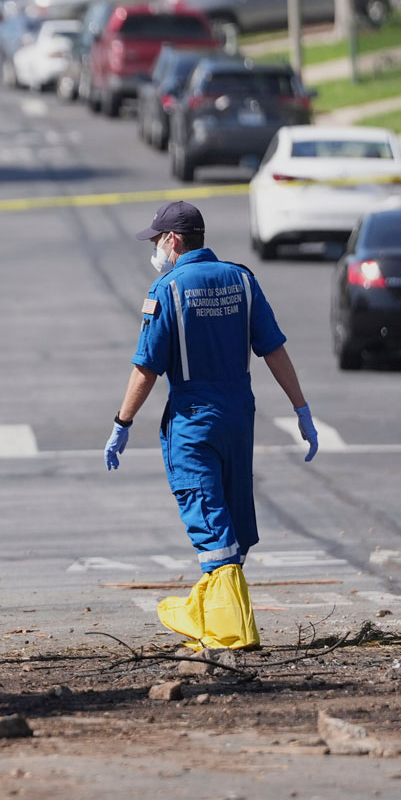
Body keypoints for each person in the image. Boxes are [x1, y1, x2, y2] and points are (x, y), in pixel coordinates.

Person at [103, 201, 319, 652]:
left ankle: (230, 631)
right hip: (239, 418)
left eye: (157, 240)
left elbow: (147, 367)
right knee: (233, 521)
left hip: (194, 420)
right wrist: (300, 407)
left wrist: (122, 422)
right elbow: (273, 349)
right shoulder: (243, 280)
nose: (155, 249)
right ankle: (209, 610)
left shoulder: (167, 289)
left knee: (208, 518)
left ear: (173, 240)